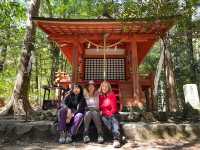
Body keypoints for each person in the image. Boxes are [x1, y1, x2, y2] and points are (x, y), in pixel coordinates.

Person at [99, 81, 121, 148]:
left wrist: (110, 114)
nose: (104, 88)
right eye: (103, 86)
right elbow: (99, 106)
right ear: (101, 87)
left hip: (113, 113)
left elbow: (114, 108)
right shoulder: (100, 96)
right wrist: (103, 112)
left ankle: (116, 140)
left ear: (109, 87)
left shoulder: (112, 95)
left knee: (114, 120)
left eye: (106, 86)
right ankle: (119, 136)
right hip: (104, 114)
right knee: (105, 120)